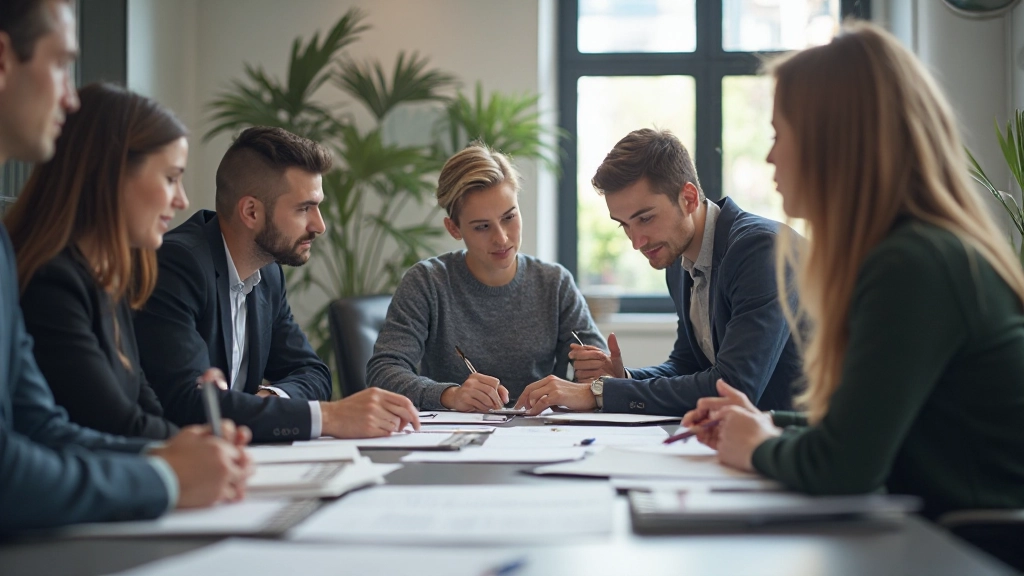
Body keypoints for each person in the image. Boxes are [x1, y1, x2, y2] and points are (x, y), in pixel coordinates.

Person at [682, 22, 1024, 521]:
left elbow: (843, 468)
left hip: (969, 551)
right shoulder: (919, 251)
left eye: (780, 134)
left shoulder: (913, 264)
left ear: (832, 142)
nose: (770, 156)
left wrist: (757, 446)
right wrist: (765, 422)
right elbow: (869, 426)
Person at [0, 0, 249, 532]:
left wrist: (188, 453)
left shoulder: (92, 276)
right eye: (62, 64)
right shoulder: (52, 277)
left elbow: (41, 425)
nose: (70, 98)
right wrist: (167, 474)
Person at [134, 126, 420, 441]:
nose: (320, 225)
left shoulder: (267, 273)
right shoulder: (178, 265)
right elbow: (187, 404)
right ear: (251, 211)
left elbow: (313, 373)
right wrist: (327, 416)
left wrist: (270, 400)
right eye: (304, 208)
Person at [516, 129, 800, 416]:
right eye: (624, 224)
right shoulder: (678, 261)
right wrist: (624, 379)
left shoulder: (760, 250)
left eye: (646, 218)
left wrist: (600, 392)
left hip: (804, 444)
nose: (636, 242)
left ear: (688, 198)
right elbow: (686, 364)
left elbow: (734, 388)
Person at [7, 83, 190, 440]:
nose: (182, 200)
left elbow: (145, 406)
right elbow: (114, 425)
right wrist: (193, 451)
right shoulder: (51, 283)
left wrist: (202, 447)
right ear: (111, 174)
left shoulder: (108, 278)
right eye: (171, 179)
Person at [367, 143, 606, 411]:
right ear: (454, 228)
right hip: (454, 439)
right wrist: (450, 395)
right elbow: (383, 372)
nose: (501, 238)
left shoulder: (554, 283)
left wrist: (595, 373)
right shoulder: (427, 282)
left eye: (509, 217)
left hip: (542, 434)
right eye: (482, 226)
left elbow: (599, 372)